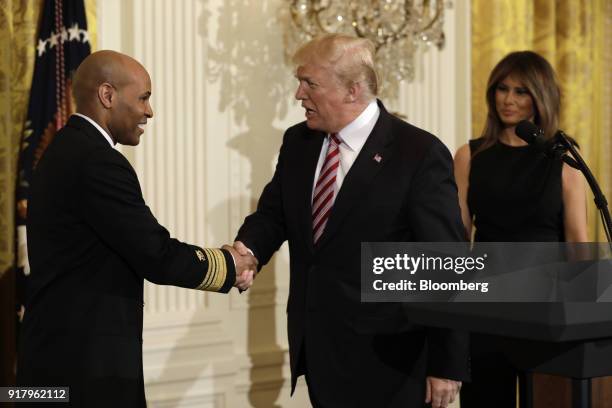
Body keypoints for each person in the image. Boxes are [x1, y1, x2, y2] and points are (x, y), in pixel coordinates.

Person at [232, 34, 469, 408]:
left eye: (309, 83)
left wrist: (447, 363)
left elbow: (445, 262)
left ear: (352, 90)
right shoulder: (299, 142)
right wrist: (246, 251)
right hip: (322, 352)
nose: (298, 94)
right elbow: (274, 214)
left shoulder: (417, 153)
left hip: (394, 362)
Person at [16, 50, 257, 407]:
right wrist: (228, 266)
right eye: (143, 97)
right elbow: (155, 254)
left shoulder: (62, 150)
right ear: (108, 95)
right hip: (86, 374)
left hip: (47, 364)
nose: (149, 111)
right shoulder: (98, 161)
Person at [454, 50, 588, 407]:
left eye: (521, 91)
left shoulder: (563, 158)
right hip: (486, 307)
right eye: (502, 89)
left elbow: (577, 243)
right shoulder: (469, 156)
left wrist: (580, 313)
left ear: (539, 97)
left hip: (545, 307)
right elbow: (457, 241)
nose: (508, 100)